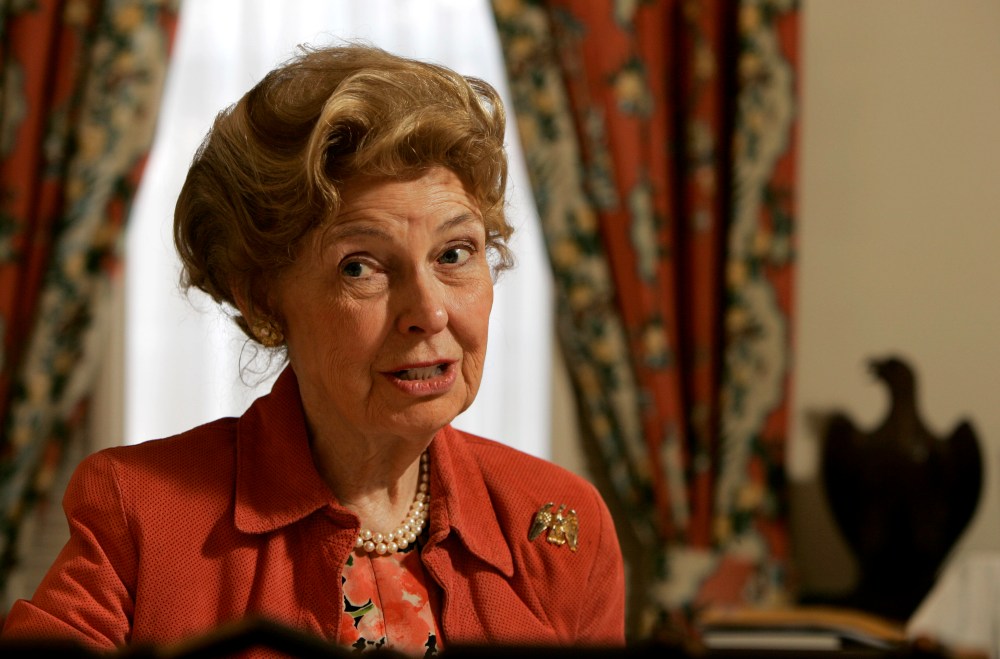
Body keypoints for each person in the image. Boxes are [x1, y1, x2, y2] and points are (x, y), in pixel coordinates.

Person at [1, 44, 625, 654]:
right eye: (361, 267)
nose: (430, 313)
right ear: (263, 300)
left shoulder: (560, 526)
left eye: (454, 254)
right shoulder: (141, 514)